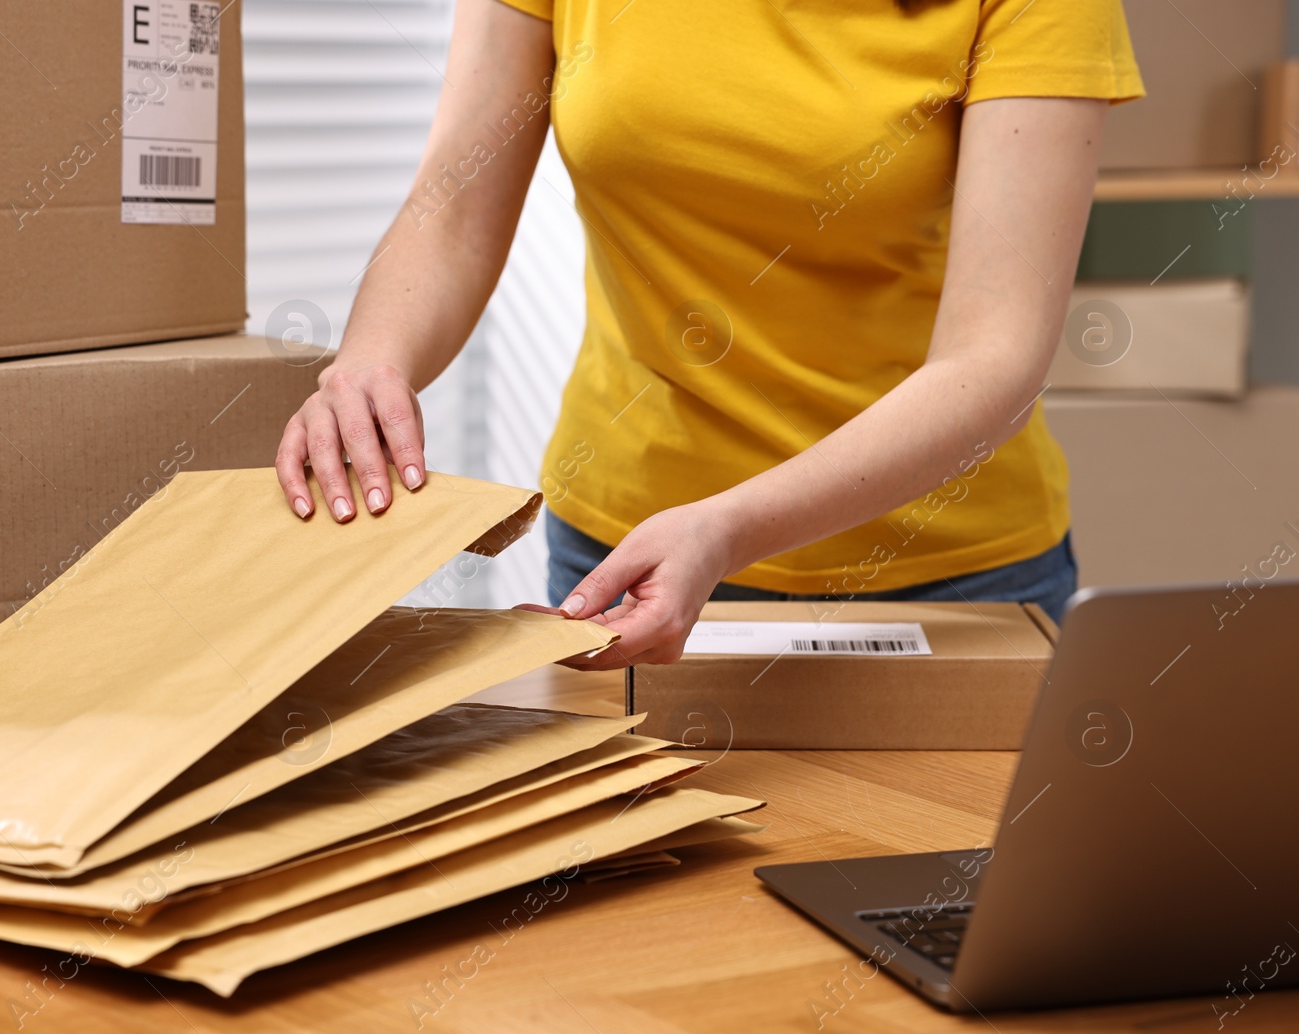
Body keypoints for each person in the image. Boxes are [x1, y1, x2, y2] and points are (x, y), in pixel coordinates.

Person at [274, 0, 1143, 668]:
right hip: (626, 545)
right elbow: (457, 203)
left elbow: (993, 355)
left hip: (945, 569)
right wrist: (372, 361)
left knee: (938, 900)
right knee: (639, 895)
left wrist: (729, 527)